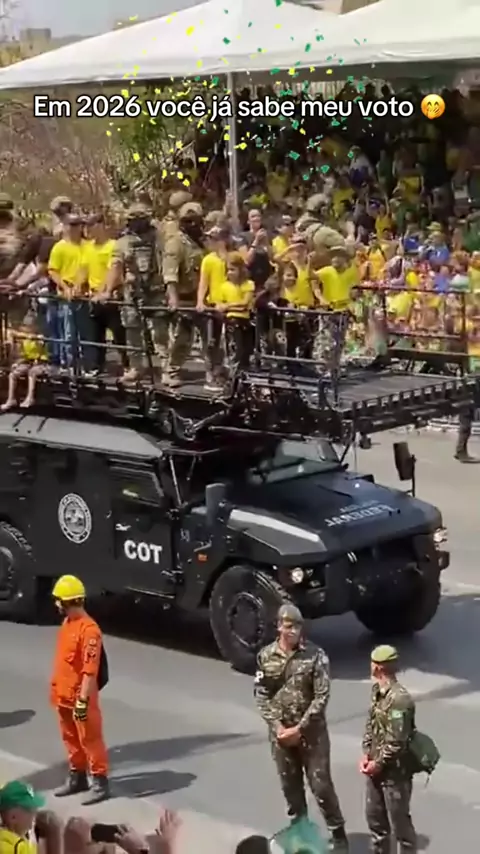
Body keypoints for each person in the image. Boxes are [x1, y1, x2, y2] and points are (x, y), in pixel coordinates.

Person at [254, 604, 348, 852]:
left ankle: (338, 834)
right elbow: (262, 695)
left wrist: (300, 728)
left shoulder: (316, 655)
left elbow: (321, 696)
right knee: (291, 788)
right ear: (279, 627)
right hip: (281, 737)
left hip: (311, 735)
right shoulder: (266, 656)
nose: (293, 631)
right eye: (288, 626)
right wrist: (278, 727)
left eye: (297, 626)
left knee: (321, 786)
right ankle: (301, 833)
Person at [50, 574, 110, 804]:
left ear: (69, 602)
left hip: (80, 697)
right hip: (63, 695)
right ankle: (78, 776)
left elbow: (89, 670)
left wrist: (83, 701)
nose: (57, 605)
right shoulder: (67, 624)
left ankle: (100, 781)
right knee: (70, 738)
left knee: (90, 739)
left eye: (59, 600)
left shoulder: (90, 631)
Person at [102, 202, 168, 383]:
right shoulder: (122, 242)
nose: (137, 223)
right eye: (133, 220)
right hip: (132, 292)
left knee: (160, 333)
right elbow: (115, 266)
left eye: (141, 219)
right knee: (132, 331)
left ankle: (167, 368)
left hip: (156, 291)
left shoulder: (160, 238)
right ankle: (136, 367)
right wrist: (108, 290)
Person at [360, 645, 416, 854]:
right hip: (376, 768)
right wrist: (366, 753)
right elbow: (371, 724)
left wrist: (379, 763)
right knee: (375, 820)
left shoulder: (400, 700)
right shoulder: (377, 691)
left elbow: (397, 741)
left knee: (400, 825)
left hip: (395, 774)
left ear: (378, 667)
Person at [162, 201, 205, 388]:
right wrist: (173, 298)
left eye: (195, 220)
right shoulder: (176, 243)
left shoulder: (201, 241)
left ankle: (214, 371)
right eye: (187, 221)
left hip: (202, 297)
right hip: (184, 297)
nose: (192, 224)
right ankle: (171, 371)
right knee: (181, 338)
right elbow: (170, 273)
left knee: (210, 339)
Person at [0, 781, 45, 854]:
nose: (35, 814)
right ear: (13, 817)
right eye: (30, 810)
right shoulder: (9, 848)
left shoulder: (18, 837)